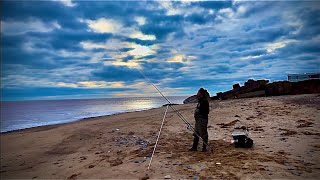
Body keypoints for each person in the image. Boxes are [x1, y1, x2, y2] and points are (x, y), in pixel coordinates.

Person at [189, 88, 210, 152]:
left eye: (198, 92)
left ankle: (204, 148)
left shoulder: (204, 101)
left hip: (202, 120)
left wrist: (199, 114)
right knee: (196, 133)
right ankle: (194, 147)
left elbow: (206, 111)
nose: (197, 93)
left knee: (203, 133)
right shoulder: (200, 100)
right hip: (198, 120)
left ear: (201, 93)